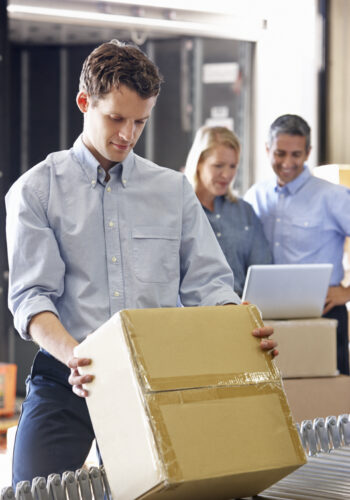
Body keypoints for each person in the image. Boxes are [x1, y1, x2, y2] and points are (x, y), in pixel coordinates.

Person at [5, 40, 277, 486]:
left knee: (170, 489)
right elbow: (32, 299)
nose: (127, 135)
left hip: (159, 375)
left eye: (140, 121)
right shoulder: (36, 190)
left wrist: (239, 332)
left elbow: (208, 283)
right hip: (68, 372)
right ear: (84, 103)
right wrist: (78, 357)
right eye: (116, 118)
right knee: (35, 491)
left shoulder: (172, 191)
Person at [244, 113, 350, 374]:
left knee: (332, 401)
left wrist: (348, 292)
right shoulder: (255, 196)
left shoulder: (333, 196)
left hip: (323, 315)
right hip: (268, 316)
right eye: (280, 153)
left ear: (308, 152)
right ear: (267, 149)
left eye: (296, 154)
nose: (287, 162)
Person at [184, 125, 272, 297]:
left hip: (242, 309)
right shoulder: (180, 211)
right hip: (196, 313)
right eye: (218, 166)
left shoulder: (244, 211)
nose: (227, 175)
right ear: (199, 163)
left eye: (233, 166)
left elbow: (263, 270)